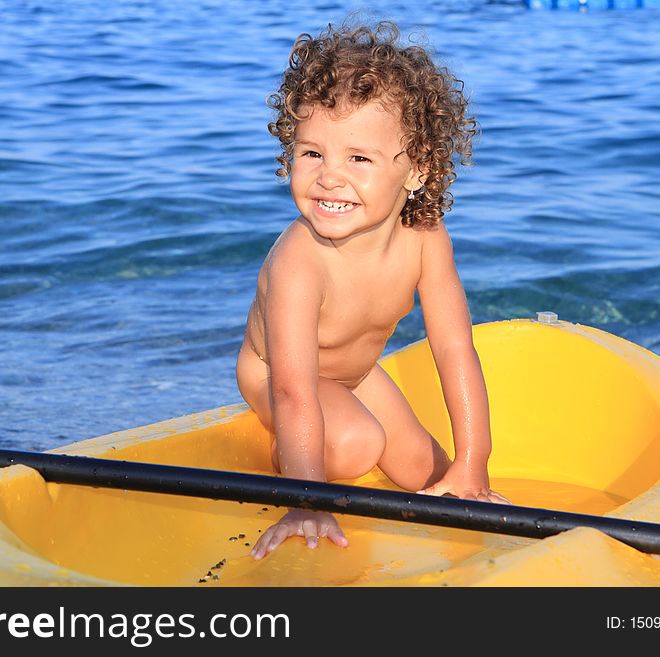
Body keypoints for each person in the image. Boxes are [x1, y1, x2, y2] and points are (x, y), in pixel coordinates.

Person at [236, 19, 510, 561]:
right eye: (312, 153)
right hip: (278, 373)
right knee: (356, 442)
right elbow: (293, 388)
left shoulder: (426, 238)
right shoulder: (300, 259)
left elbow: (454, 347)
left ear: (417, 170)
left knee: (426, 474)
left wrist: (473, 462)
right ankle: (285, 461)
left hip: (355, 372)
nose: (329, 176)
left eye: (358, 158)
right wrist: (305, 497)